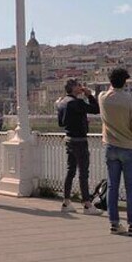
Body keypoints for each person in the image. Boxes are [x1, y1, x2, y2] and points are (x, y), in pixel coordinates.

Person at [98, 68, 132, 236]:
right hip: (130, 147)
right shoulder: (131, 101)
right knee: (131, 188)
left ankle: (114, 223)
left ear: (110, 81)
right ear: (125, 82)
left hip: (110, 147)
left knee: (113, 186)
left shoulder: (102, 98)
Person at [55, 78, 102, 214]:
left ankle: (66, 202)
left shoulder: (61, 103)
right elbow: (96, 109)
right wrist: (89, 95)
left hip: (69, 139)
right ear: (73, 88)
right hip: (80, 140)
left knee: (70, 171)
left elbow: (60, 124)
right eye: (78, 85)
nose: (81, 87)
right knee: (83, 173)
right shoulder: (77, 102)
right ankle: (87, 204)